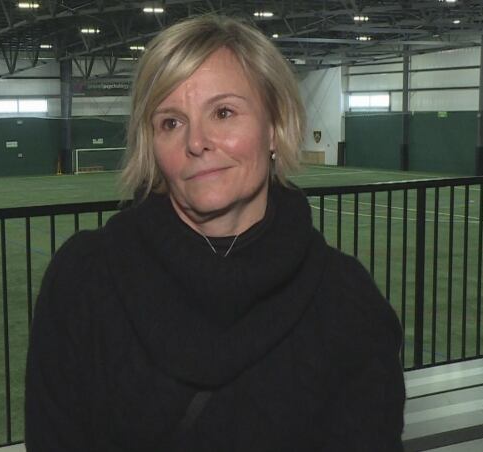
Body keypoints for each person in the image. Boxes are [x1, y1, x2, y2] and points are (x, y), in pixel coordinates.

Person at [25, 14, 405, 451]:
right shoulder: (84, 281)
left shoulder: (347, 302)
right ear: (152, 145)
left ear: (275, 129)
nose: (197, 141)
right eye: (171, 122)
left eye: (223, 112)